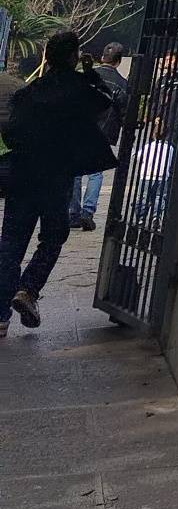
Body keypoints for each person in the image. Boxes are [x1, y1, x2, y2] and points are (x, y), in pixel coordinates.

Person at [0, 30, 117, 337]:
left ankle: (0, 316)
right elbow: (106, 103)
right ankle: (29, 288)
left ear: (47, 57)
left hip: (22, 174)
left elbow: (10, 131)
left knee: (11, 243)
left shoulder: (29, 92)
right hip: (56, 176)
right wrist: (90, 73)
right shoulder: (79, 88)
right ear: (73, 56)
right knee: (53, 236)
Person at [70, 42, 129, 232]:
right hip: (103, 133)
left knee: (76, 172)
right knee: (95, 173)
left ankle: (73, 213)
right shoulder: (122, 84)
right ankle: (88, 212)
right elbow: (123, 111)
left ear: (102, 57)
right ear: (118, 61)